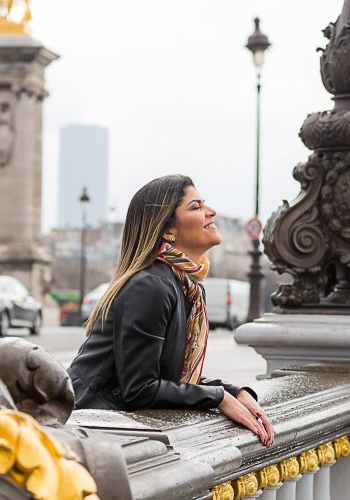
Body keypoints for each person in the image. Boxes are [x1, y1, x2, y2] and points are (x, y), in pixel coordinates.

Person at [67, 174, 275, 446]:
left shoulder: (182, 284)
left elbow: (170, 375)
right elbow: (140, 389)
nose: (211, 211)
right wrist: (218, 398)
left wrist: (230, 391)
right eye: (196, 206)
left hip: (105, 428)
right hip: (86, 428)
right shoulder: (152, 286)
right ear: (168, 231)